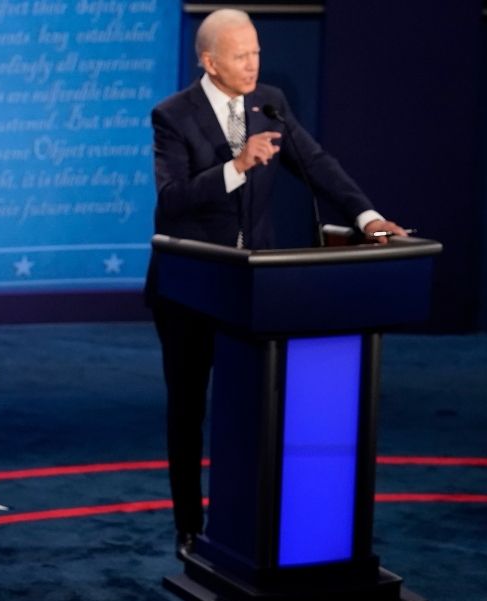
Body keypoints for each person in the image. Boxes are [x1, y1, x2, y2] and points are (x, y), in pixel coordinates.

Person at [146, 9, 407, 560]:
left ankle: (249, 522)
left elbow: (317, 164)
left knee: (255, 406)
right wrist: (237, 165)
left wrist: (368, 218)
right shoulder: (172, 115)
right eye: (240, 56)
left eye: (257, 52)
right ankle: (189, 527)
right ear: (208, 61)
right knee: (189, 409)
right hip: (190, 287)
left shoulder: (269, 103)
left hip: (256, 287)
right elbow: (171, 200)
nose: (252, 64)